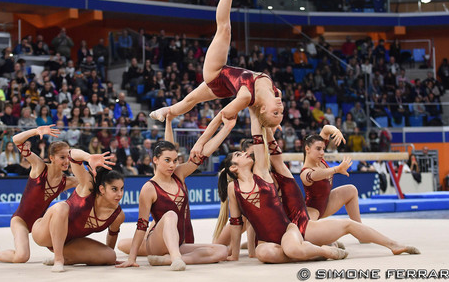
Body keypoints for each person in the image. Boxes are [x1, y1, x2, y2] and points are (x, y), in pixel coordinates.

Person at [217, 108, 420, 264]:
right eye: (243, 155)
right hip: (284, 231)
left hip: (299, 225)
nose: (322, 152)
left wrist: (265, 123)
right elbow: (245, 221)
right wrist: (234, 252)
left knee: (348, 213)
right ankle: (314, 251)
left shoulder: (275, 173)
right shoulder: (253, 180)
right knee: (260, 249)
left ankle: (393, 245)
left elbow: (269, 146)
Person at [150, 0, 284, 141]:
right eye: (281, 112)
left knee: (224, 30)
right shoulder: (277, 93)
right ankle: (167, 112)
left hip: (216, 74)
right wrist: (274, 122)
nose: (281, 107)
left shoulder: (246, 96)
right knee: (190, 100)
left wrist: (238, 112)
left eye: (275, 112)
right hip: (225, 86)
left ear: (261, 108)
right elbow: (273, 109)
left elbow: (226, 112)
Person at [116, 110, 233, 270]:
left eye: (175, 160)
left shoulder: (178, 174)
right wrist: (132, 258)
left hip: (180, 240)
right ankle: (176, 258)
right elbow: (141, 225)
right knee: (170, 214)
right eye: (167, 161)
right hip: (156, 243)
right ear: (155, 160)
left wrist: (226, 128)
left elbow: (204, 153)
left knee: (221, 251)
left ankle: (166, 259)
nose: (172, 164)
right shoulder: (149, 188)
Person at [0, 125, 78, 263]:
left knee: (68, 251)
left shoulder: (67, 181)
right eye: (62, 157)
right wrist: (36, 131)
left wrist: (90, 160)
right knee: (22, 256)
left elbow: (89, 182)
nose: (66, 161)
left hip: (39, 225)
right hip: (21, 221)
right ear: (52, 158)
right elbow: (16, 140)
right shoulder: (39, 167)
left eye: (68, 157)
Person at [33, 151, 123, 272]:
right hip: (45, 233)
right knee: (62, 207)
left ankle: (65, 257)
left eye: (122, 189)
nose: (120, 194)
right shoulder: (87, 187)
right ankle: (58, 259)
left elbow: (113, 234)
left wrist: (105, 256)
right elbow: (72, 154)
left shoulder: (118, 215)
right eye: (114, 189)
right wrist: (89, 157)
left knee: (111, 255)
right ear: (102, 189)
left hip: (70, 243)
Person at [300, 127, 361, 223]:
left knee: (351, 190)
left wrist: (336, 131)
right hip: (312, 210)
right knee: (309, 233)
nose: (322, 153)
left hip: (327, 204)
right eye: (318, 149)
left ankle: (359, 229)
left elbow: (325, 129)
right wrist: (336, 169)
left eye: (323, 149)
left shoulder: (319, 157)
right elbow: (314, 175)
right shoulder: (305, 172)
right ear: (307, 149)